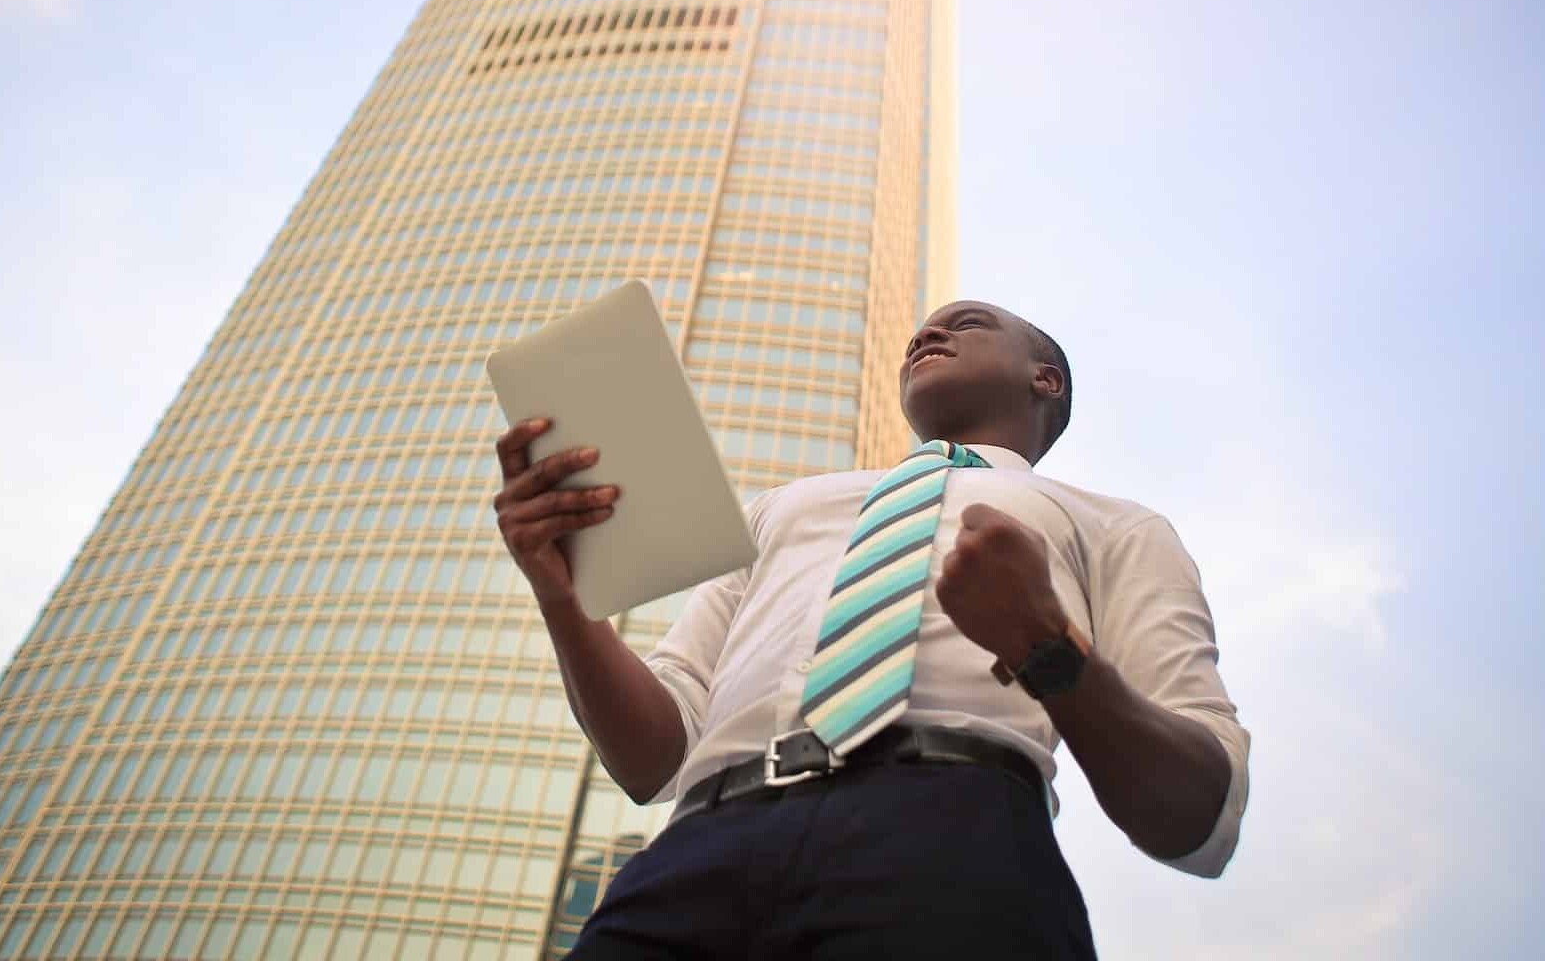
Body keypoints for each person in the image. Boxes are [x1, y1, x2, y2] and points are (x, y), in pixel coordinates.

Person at [491, 299, 1249, 958]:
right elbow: (654, 757)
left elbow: (1197, 815)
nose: (928, 335)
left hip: (956, 839)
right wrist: (564, 599)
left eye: (967, 324)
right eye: (919, 333)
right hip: (697, 848)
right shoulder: (779, 508)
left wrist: (1048, 648)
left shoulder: (1116, 526)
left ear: (1044, 379)